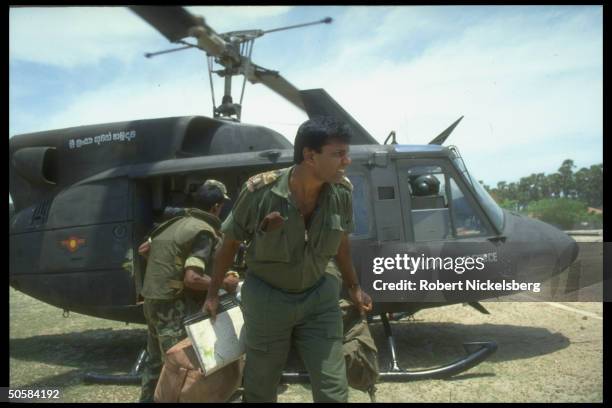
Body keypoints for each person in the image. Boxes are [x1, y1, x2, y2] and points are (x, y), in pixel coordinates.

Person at [203, 116, 373, 403]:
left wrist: (354, 286)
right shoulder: (260, 192)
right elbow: (229, 243)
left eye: (347, 153)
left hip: (319, 297)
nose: (347, 161)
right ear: (309, 155)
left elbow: (341, 240)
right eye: (338, 154)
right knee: (261, 385)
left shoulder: (341, 192)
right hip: (269, 298)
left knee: (333, 387)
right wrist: (212, 293)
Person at [138, 179, 239, 403]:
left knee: (155, 362)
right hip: (173, 305)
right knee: (178, 368)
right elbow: (192, 278)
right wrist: (223, 284)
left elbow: (144, 249)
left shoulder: (173, 223)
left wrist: (168, 268)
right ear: (216, 207)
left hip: (153, 299)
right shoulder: (203, 230)